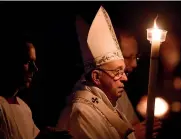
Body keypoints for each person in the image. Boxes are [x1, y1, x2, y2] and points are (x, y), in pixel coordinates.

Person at [57, 6, 136, 139]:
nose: (124, 78)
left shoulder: (108, 107)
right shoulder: (82, 112)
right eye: (117, 72)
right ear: (96, 77)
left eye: (123, 71)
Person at [0, 34, 71, 139]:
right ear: (9, 61)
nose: (35, 69)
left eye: (34, 62)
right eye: (27, 62)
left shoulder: (24, 107)